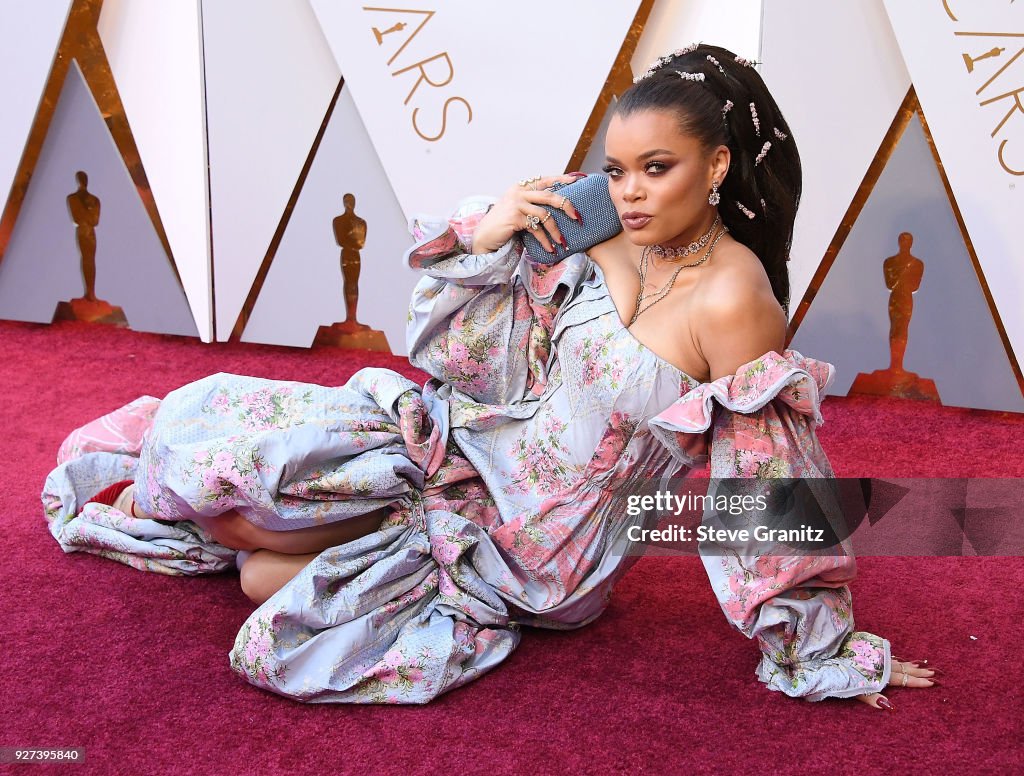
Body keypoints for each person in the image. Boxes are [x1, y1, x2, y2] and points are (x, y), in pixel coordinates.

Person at [43, 44, 939, 708]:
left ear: (716, 166)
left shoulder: (736, 302)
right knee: (236, 478)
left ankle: (248, 528)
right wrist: (491, 228)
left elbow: (767, 484)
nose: (629, 193)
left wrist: (822, 642)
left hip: (544, 549)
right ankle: (203, 510)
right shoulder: (606, 226)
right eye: (618, 169)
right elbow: (472, 355)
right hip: (467, 446)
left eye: (656, 170)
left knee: (257, 583)